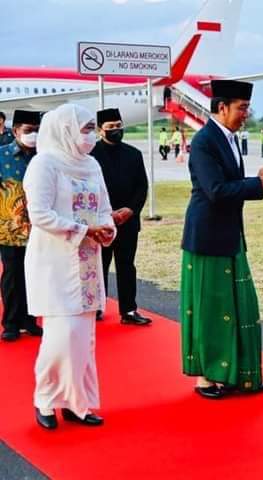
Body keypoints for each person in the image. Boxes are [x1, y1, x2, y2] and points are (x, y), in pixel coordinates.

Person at [180, 80, 263, 399]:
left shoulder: (229, 138)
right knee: (211, 308)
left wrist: (254, 182)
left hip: (229, 234)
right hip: (207, 237)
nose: (246, 114)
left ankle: (236, 374)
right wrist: (258, 183)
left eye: (247, 108)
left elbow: (228, 185)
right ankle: (206, 378)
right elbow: (215, 190)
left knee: (237, 306)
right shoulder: (204, 141)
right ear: (222, 107)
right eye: (242, 108)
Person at [24, 104, 116, 429]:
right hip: (55, 261)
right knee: (61, 337)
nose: (90, 135)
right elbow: (40, 214)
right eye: (85, 128)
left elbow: (104, 207)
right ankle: (46, 400)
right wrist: (83, 230)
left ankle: (78, 403)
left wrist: (107, 228)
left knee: (83, 339)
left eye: (92, 128)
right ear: (65, 129)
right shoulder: (44, 164)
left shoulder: (91, 164)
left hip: (87, 260)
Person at [91, 108, 151, 326]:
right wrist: (106, 213)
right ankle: (97, 306)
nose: (116, 130)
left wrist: (131, 210)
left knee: (126, 265)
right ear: (100, 130)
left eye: (119, 125)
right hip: (101, 221)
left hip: (128, 221)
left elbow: (142, 187)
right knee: (100, 265)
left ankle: (129, 310)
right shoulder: (90, 155)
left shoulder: (134, 154)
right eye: (111, 127)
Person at [0, 110, 44, 342]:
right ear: (15, 131)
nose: (33, 135)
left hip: (41, 228)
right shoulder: (1, 156)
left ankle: (30, 320)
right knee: (12, 275)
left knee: (35, 275)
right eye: (28, 130)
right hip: (10, 228)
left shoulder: (44, 157)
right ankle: (11, 323)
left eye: (37, 130)